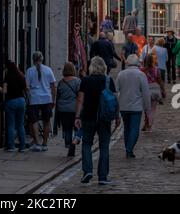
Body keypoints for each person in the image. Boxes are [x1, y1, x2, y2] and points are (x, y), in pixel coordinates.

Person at [74, 56, 120, 185]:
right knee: (104, 146)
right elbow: (115, 100)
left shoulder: (85, 80)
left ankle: (87, 171)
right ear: (104, 67)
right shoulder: (108, 80)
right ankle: (103, 176)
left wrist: (77, 117)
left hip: (88, 117)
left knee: (87, 144)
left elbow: (80, 100)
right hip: (104, 118)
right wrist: (117, 116)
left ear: (91, 67)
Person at [115, 54, 151, 158]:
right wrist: (147, 109)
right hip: (136, 107)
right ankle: (129, 149)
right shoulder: (141, 75)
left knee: (127, 128)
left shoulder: (121, 74)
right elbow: (145, 93)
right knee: (134, 129)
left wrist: (117, 107)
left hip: (124, 106)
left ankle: (128, 148)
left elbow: (116, 91)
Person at [26, 51, 56, 152]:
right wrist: (53, 99)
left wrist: (29, 95)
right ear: (42, 59)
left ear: (33, 60)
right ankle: (45, 144)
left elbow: (27, 87)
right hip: (47, 98)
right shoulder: (48, 70)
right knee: (46, 121)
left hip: (34, 99)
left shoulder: (29, 71)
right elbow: (53, 86)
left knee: (34, 121)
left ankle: (37, 143)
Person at [0, 61, 27, 152]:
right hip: (21, 101)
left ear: (8, 68)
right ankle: (22, 147)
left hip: (11, 102)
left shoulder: (7, 77)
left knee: (11, 125)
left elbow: (5, 92)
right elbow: (26, 89)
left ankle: (11, 146)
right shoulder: (21, 76)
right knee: (20, 125)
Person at [56, 62, 81, 157]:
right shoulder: (78, 81)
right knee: (77, 126)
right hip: (74, 108)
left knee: (67, 128)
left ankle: (68, 143)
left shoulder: (61, 82)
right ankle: (74, 141)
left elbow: (58, 96)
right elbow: (80, 95)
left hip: (63, 109)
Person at [142, 54, 166, 132]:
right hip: (155, 90)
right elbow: (160, 81)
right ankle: (149, 125)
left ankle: (147, 124)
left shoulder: (142, 70)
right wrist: (163, 90)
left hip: (146, 90)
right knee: (152, 109)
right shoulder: (156, 70)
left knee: (146, 109)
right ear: (152, 61)